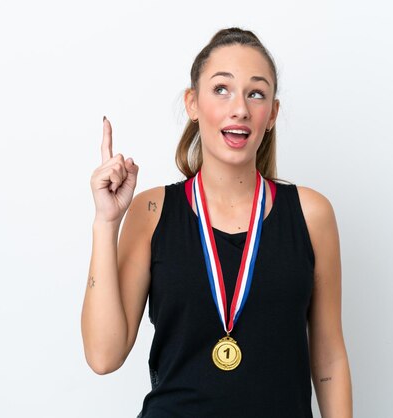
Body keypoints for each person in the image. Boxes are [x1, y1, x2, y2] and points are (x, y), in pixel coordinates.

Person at [81, 27, 352, 417]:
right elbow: (103, 356)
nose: (239, 107)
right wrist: (106, 222)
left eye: (255, 93)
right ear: (192, 103)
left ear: (271, 113)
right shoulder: (152, 212)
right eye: (221, 89)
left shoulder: (311, 214)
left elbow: (328, 359)